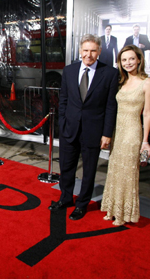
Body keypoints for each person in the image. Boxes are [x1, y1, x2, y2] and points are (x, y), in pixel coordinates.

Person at [49, 34, 118, 220]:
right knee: (66, 166)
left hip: (93, 130)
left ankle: (82, 204)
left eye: (93, 50)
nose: (89, 54)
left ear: (99, 52)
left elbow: (111, 106)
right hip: (69, 128)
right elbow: (63, 100)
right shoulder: (69, 71)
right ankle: (65, 198)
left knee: (89, 170)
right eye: (85, 50)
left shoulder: (110, 73)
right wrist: (62, 122)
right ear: (80, 51)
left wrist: (106, 133)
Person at [101, 45, 150, 226]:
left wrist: (145, 141)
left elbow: (147, 113)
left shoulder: (147, 82)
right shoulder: (121, 81)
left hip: (132, 131)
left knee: (128, 172)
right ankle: (113, 210)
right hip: (118, 131)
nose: (128, 63)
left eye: (132, 59)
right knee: (115, 170)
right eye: (124, 60)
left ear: (139, 59)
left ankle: (124, 214)